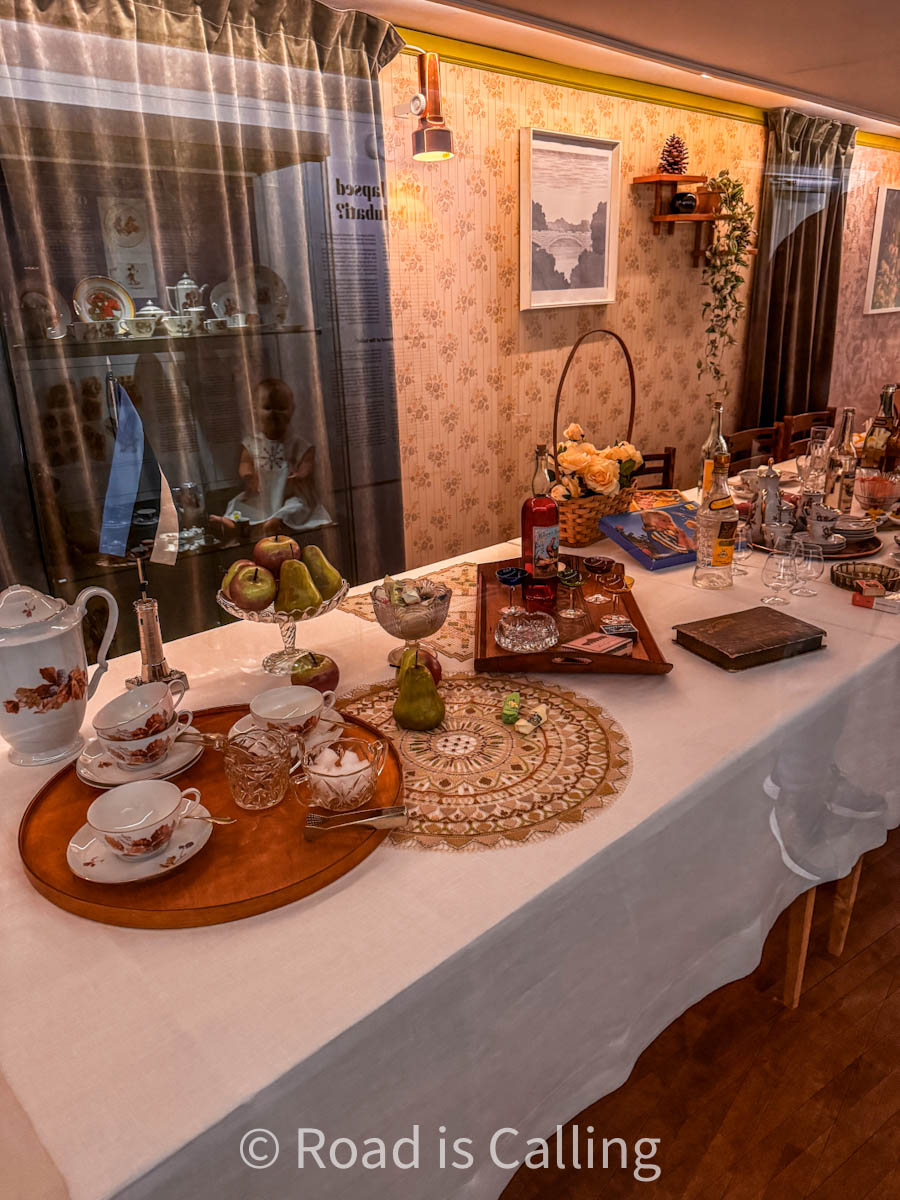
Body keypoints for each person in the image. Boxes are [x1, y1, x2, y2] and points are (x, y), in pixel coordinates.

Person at [211, 377, 331, 538]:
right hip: (261, 494)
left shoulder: (296, 443)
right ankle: (231, 523)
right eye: (268, 407)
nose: (274, 413)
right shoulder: (252, 443)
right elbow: (245, 462)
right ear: (255, 410)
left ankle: (277, 521)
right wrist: (248, 476)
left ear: (292, 409)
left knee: (296, 506)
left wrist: (301, 473)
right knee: (238, 504)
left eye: (281, 408)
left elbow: (308, 458)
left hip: (289, 493)